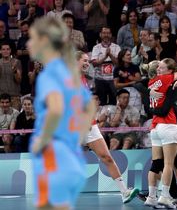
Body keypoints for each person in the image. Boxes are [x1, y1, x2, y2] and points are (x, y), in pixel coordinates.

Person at [27, 17, 95, 209]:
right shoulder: (69, 74)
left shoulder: (50, 74)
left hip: (53, 156)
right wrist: (76, 135)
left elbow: (55, 109)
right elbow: (89, 106)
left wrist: (43, 140)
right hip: (71, 156)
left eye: (32, 38)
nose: (28, 43)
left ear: (45, 42)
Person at [77, 50, 140, 203]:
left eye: (87, 61)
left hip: (90, 127)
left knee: (107, 157)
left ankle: (124, 192)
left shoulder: (84, 79)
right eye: (84, 60)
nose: (87, 63)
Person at [145, 60, 177, 208]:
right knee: (165, 163)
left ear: (170, 70)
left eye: (161, 68)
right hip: (168, 125)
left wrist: (152, 106)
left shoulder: (172, 84)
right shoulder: (164, 81)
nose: (159, 70)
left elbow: (163, 108)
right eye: (157, 68)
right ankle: (170, 196)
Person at [91, 27, 121, 105]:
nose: (106, 35)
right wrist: (105, 56)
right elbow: (94, 63)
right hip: (100, 79)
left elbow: (118, 63)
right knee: (101, 102)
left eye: (108, 33)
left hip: (113, 79)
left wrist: (110, 55)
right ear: (100, 35)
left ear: (111, 35)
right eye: (104, 33)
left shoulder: (116, 47)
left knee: (113, 102)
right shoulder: (96, 47)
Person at [0, 42, 22, 110]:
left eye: (7, 49)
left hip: (14, 97)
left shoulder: (16, 62)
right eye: (3, 49)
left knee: (15, 119)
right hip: (1, 98)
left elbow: (19, 80)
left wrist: (15, 70)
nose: (6, 51)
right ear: (0, 51)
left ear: (10, 50)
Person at [17, 21, 32, 96]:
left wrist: (22, 52)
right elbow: (17, 52)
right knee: (23, 87)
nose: (24, 33)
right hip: (22, 65)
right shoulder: (20, 39)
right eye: (22, 31)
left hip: (32, 65)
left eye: (26, 31)